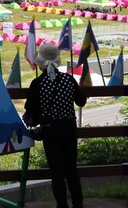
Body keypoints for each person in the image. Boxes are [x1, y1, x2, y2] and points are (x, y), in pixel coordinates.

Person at [25, 43, 87, 208]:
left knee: (57, 172)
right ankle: (78, 203)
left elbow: (30, 110)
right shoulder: (68, 79)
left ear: (40, 64)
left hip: (50, 130)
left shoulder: (37, 84)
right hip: (69, 128)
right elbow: (81, 100)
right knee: (71, 169)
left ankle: (62, 204)